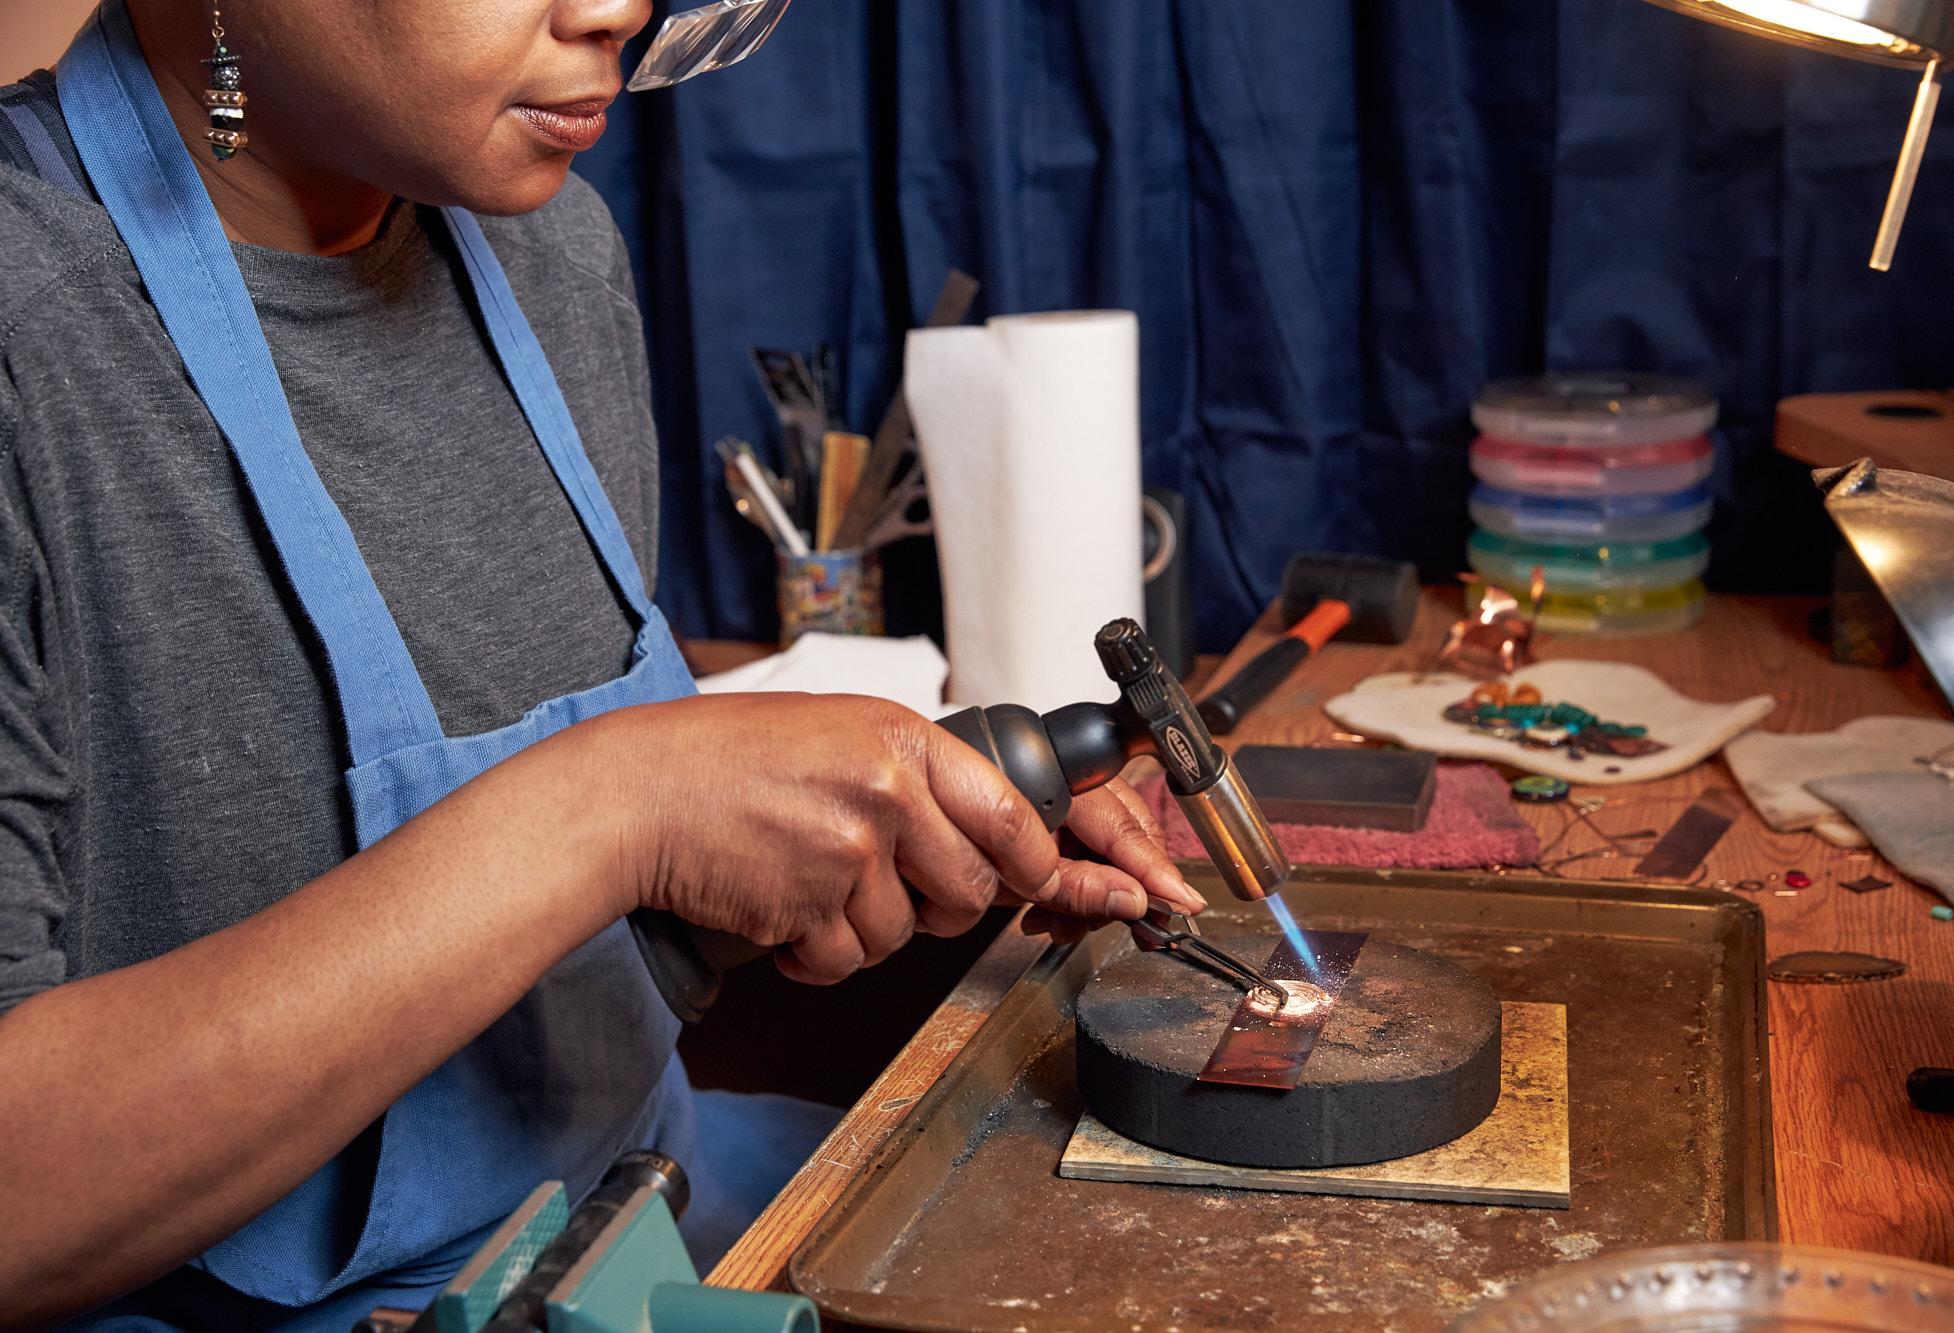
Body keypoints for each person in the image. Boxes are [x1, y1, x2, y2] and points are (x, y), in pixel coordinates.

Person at [0, 0, 1203, 1326]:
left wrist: (847, 817)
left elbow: (575, 957)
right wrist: (616, 810)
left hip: (634, 1220)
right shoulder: (30, 335)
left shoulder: (550, 250)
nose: (619, 8)